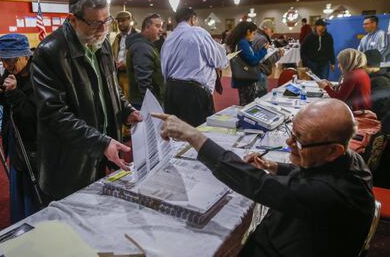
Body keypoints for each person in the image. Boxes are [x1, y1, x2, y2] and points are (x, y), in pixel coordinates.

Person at [152, 98, 374, 257]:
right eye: (292, 133)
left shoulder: (331, 194)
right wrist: (275, 166)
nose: (289, 144)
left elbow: (258, 184)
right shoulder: (347, 158)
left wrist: (195, 137)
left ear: (333, 150)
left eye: (299, 140)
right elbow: (315, 171)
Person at [31, 0, 142, 203]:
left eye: (106, 21)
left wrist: (126, 110)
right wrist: (99, 142)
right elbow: (54, 114)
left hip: (98, 150)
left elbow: (111, 87)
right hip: (68, 161)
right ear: (73, 19)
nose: (102, 30)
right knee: (68, 226)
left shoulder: (101, 43)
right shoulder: (49, 51)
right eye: (94, 23)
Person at [0, 34, 39, 223]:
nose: (7, 65)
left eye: (11, 60)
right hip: (15, 139)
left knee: (32, 192)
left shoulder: (39, 75)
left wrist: (15, 93)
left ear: (25, 55)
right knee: (18, 186)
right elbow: (9, 107)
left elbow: (33, 117)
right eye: (3, 60)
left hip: (34, 144)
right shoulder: (11, 72)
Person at [161, 7, 228, 127]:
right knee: (197, 134)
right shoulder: (198, 32)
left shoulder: (168, 38)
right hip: (193, 92)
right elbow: (218, 60)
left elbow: (164, 68)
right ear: (193, 19)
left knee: (175, 132)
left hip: (171, 90)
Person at [126, 13, 165, 109]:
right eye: (157, 26)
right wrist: (153, 106)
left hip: (144, 101)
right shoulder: (142, 47)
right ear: (147, 27)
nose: (161, 30)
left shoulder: (145, 45)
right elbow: (144, 81)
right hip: (143, 103)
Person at [226, 21, 269, 105]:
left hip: (243, 76)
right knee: (247, 104)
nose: (254, 36)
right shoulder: (242, 43)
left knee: (245, 102)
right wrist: (263, 50)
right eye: (254, 33)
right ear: (248, 31)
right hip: (246, 78)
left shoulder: (241, 42)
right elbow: (252, 60)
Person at [251, 19, 284, 97]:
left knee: (253, 97)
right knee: (261, 97)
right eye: (272, 30)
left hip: (253, 71)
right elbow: (268, 59)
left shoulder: (256, 36)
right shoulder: (262, 39)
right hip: (260, 71)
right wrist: (279, 54)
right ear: (265, 29)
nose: (273, 33)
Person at [112, 10, 137, 98]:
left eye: (123, 21)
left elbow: (140, 58)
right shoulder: (117, 37)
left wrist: (126, 65)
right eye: (118, 21)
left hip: (131, 77)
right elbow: (113, 53)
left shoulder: (137, 36)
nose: (120, 23)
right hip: (118, 75)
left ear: (130, 20)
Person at [364, 49, 390, 120]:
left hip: (377, 122)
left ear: (368, 64)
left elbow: (379, 108)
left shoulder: (380, 81)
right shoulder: (376, 78)